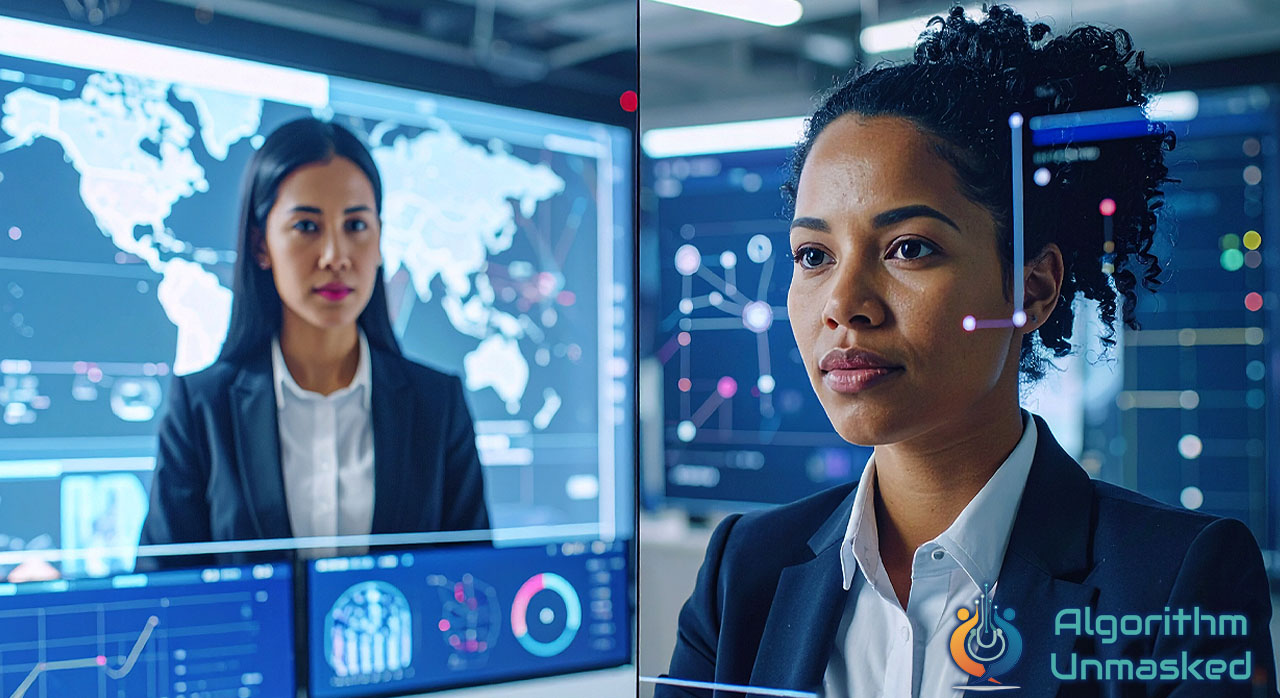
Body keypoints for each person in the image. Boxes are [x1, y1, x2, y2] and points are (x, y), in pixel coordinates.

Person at [659, 6, 1276, 697]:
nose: (842, 303)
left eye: (909, 248)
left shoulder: (1178, 584)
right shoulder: (743, 572)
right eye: (813, 255)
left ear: (1031, 289)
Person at [138, 118, 489, 569]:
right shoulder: (202, 408)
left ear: (380, 240)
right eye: (307, 227)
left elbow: (475, 587)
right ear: (260, 245)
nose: (336, 256)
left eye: (356, 225)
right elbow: (162, 597)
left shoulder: (436, 405)